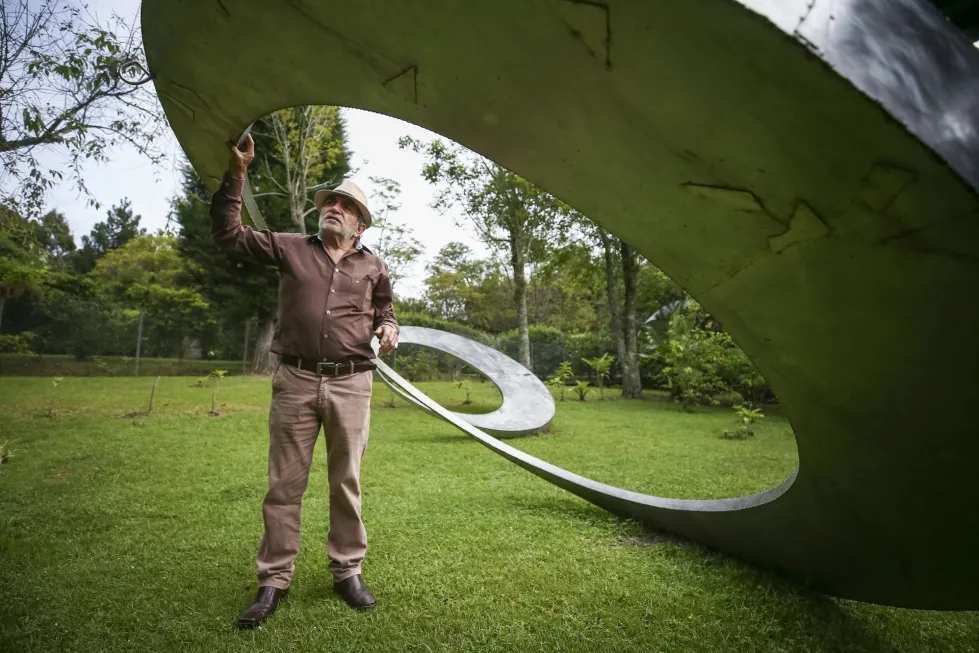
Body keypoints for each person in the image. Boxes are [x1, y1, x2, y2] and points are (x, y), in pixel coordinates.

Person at [209, 133, 399, 629]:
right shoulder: (292, 248)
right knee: (284, 486)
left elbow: (385, 309)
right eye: (330, 201)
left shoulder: (374, 265)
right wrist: (238, 173)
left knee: (347, 483)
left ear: (359, 223)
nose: (333, 206)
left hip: (353, 383)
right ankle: (273, 580)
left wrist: (389, 326)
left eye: (344, 204)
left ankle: (347, 571)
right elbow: (229, 236)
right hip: (295, 380)